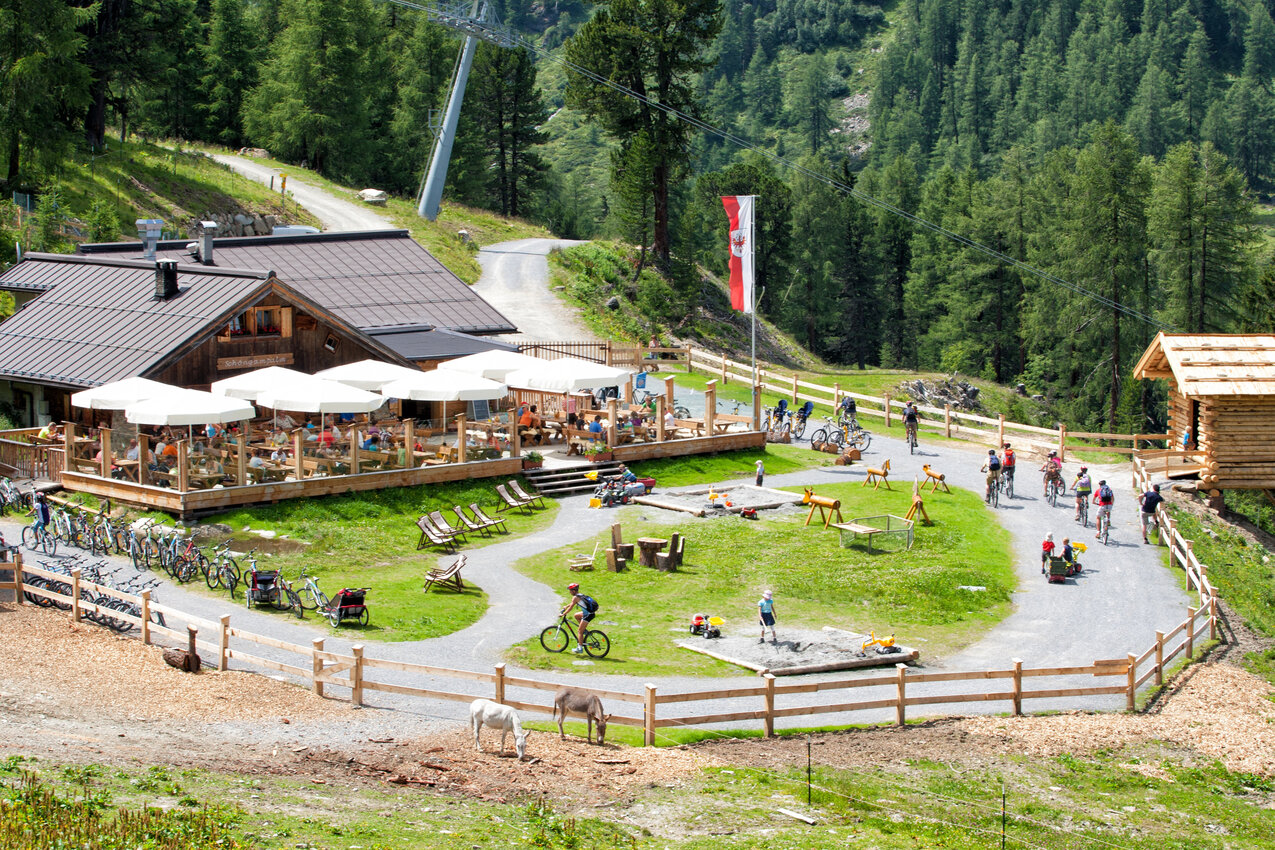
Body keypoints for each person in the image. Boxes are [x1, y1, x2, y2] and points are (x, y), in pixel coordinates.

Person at [560, 583, 599, 654]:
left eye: (570, 590)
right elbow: (572, 603)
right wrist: (566, 606)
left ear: (574, 590)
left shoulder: (575, 597)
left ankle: (580, 648)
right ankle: (584, 631)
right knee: (576, 615)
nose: (569, 592)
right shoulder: (580, 595)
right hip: (589, 613)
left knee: (579, 631)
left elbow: (571, 607)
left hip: (588, 615)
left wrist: (563, 614)